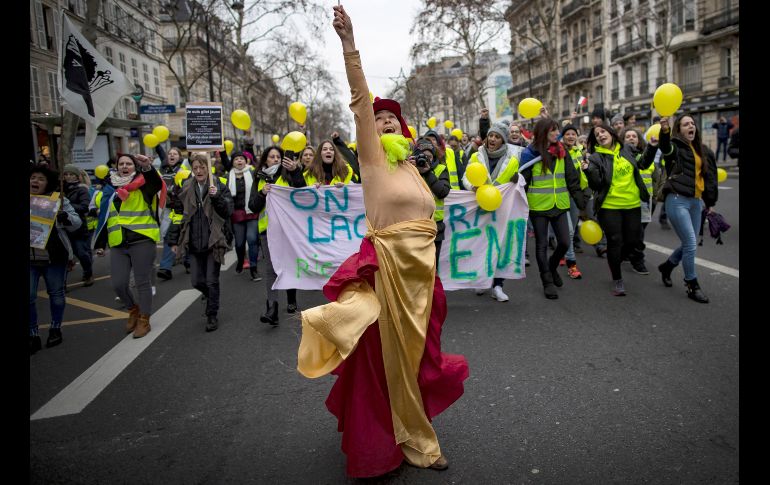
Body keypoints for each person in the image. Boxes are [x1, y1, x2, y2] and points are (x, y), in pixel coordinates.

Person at [296, 5, 469, 477]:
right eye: (380, 120)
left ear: (406, 129)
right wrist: (350, 45)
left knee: (419, 359)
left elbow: (436, 209)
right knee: (386, 361)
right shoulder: (372, 161)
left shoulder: (415, 167)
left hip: (424, 277)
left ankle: (412, 428)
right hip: (389, 270)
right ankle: (411, 443)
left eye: (393, 119)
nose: (385, 122)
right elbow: (360, 99)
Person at [93, 153, 163, 338]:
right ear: (116, 167)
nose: (125, 166)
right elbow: (105, 217)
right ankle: (133, 309)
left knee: (142, 282)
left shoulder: (144, 183)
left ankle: (144, 319)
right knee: (118, 284)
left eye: (129, 164)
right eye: (121, 164)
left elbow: (156, 183)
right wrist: (100, 244)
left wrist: (147, 166)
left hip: (142, 239)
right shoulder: (109, 188)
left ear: (135, 167)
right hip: (117, 243)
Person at [166, 153, 233, 331]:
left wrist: (217, 196)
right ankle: (210, 296)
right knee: (196, 281)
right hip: (194, 242)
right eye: (195, 168)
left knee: (212, 281)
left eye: (202, 167)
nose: (198, 171)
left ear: (208, 167)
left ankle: (212, 314)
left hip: (214, 241)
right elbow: (179, 215)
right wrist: (173, 240)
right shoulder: (187, 186)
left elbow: (227, 211)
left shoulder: (219, 184)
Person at [520, 118, 586, 299]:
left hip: (560, 204)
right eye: (553, 131)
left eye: (557, 131)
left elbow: (572, 178)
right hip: (538, 206)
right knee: (541, 244)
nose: (558, 134)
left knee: (564, 242)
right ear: (543, 133)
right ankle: (547, 281)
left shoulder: (562, 152)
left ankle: (551, 267)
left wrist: (582, 203)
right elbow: (522, 182)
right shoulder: (530, 154)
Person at [656, 115, 718, 303]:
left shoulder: (702, 150)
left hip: (695, 202)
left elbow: (708, 178)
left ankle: (667, 266)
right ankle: (692, 284)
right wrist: (665, 130)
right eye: (685, 124)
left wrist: (710, 203)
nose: (690, 126)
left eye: (692, 123)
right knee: (691, 243)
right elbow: (665, 148)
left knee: (688, 243)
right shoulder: (675, 146)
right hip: (677, 199)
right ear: (679, 130)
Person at [585, 123, 652, 296]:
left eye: (603, 131)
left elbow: (644, 163)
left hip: (632, 204)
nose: (600, 135)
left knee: (632, 240)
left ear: (612, 133)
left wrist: (652, 146)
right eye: (597, 134)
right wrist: (588, 171)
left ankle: (617, 258)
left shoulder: (628, 150)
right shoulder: (595, 158)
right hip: (609, 206)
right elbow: (596, 185)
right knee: (615, 240)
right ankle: (617, 279)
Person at [461, 122, 521, 301]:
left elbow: (520, 180)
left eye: (497, 136)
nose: (493, 139)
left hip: (502, 207)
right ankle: (482, 282)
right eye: (491, 136)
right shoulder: (476, 156)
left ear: (503, 140)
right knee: (481, 245)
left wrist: (517, 179)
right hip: (480, 206)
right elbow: (466, 176)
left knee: (500, 245)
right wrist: (471, 186)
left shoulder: (512, 159)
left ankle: (497, 285)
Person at [248, 146, 306, 324]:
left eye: (277, 157)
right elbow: (253, 206)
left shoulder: (287, 175)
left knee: (288, 265)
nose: (274, 159)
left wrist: (295, 170)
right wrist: (262, 193)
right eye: (271, 157)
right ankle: (271, 308)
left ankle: (291, 299)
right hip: (267, 231)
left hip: (288, 229)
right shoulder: (258, 179)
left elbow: (303, 192)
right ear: (265, 160)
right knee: (271, 269)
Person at [30, 166, 82, 353]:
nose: (35, 181)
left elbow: (77, 223)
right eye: (33, 177)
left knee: (56, 295)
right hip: (30, 259)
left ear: (49, 183)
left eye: (40, 179)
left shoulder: (58, 200)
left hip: (54, 257)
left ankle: (55, 328)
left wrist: (65, 216)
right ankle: (33, 334)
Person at [620, 127, 657, 274]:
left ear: (639, 139)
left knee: (637, 231)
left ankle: (625, 252)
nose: (631, 138)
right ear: (622, 140)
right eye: (627, 136)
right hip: (629, 200)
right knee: (638, 233)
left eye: (634, 136)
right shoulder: (620, 156)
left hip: (646, 201)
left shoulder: (646, 155)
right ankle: (638, 260)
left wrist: (655, 196)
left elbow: (656, 176)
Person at [222, 150, 261, 281]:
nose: (239, 161)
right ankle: (240, 261)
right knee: (239, 244)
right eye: (236, 159)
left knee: (252, 239)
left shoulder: (253, 173)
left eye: (241, 159)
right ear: (232, 162)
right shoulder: (228, 177)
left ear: (246, 161)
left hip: (251, 211)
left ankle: (254, 268)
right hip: (236, 214)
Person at [410, 137, 450, 260]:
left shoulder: (441, 169)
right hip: (413, 226)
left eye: (429, 157)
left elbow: (443, 192)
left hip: (435, 228)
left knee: (432, 268)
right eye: (422, 156)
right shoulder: (409, 169)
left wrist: (428, 173)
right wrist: (407, 167)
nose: (426, 160)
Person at [156, 146, 190, 281]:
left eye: (175, 154)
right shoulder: (162, 170)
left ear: (179, 157)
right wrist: (157, 143)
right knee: (168, 235)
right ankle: (185, 261)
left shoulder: (184, 168)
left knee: (175, 235)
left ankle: (166, 267)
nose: (171, 156)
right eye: (169, 153)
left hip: (179, 210)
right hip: (165, 209)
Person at [559, 125, 588, 278]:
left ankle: (562, 253)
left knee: (572, 229)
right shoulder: (558, 150)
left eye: (573, 134)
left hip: (575, 196)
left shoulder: (580, 152)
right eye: (567, 134)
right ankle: (572, 264)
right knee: (569, 231)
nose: (570, 136)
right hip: (561, 196)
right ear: (562, 136)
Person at [62, 164, 94, 286]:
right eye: (66, 174)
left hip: (78, 227)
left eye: (71, 174)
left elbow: (84, 207)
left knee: (81, 252)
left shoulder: (82, 190)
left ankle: (88, 273)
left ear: (77, 176)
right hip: (63, 227)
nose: (68, 177)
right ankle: (61, 283)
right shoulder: (61, 189)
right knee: (64, 255)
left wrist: (66, 205)